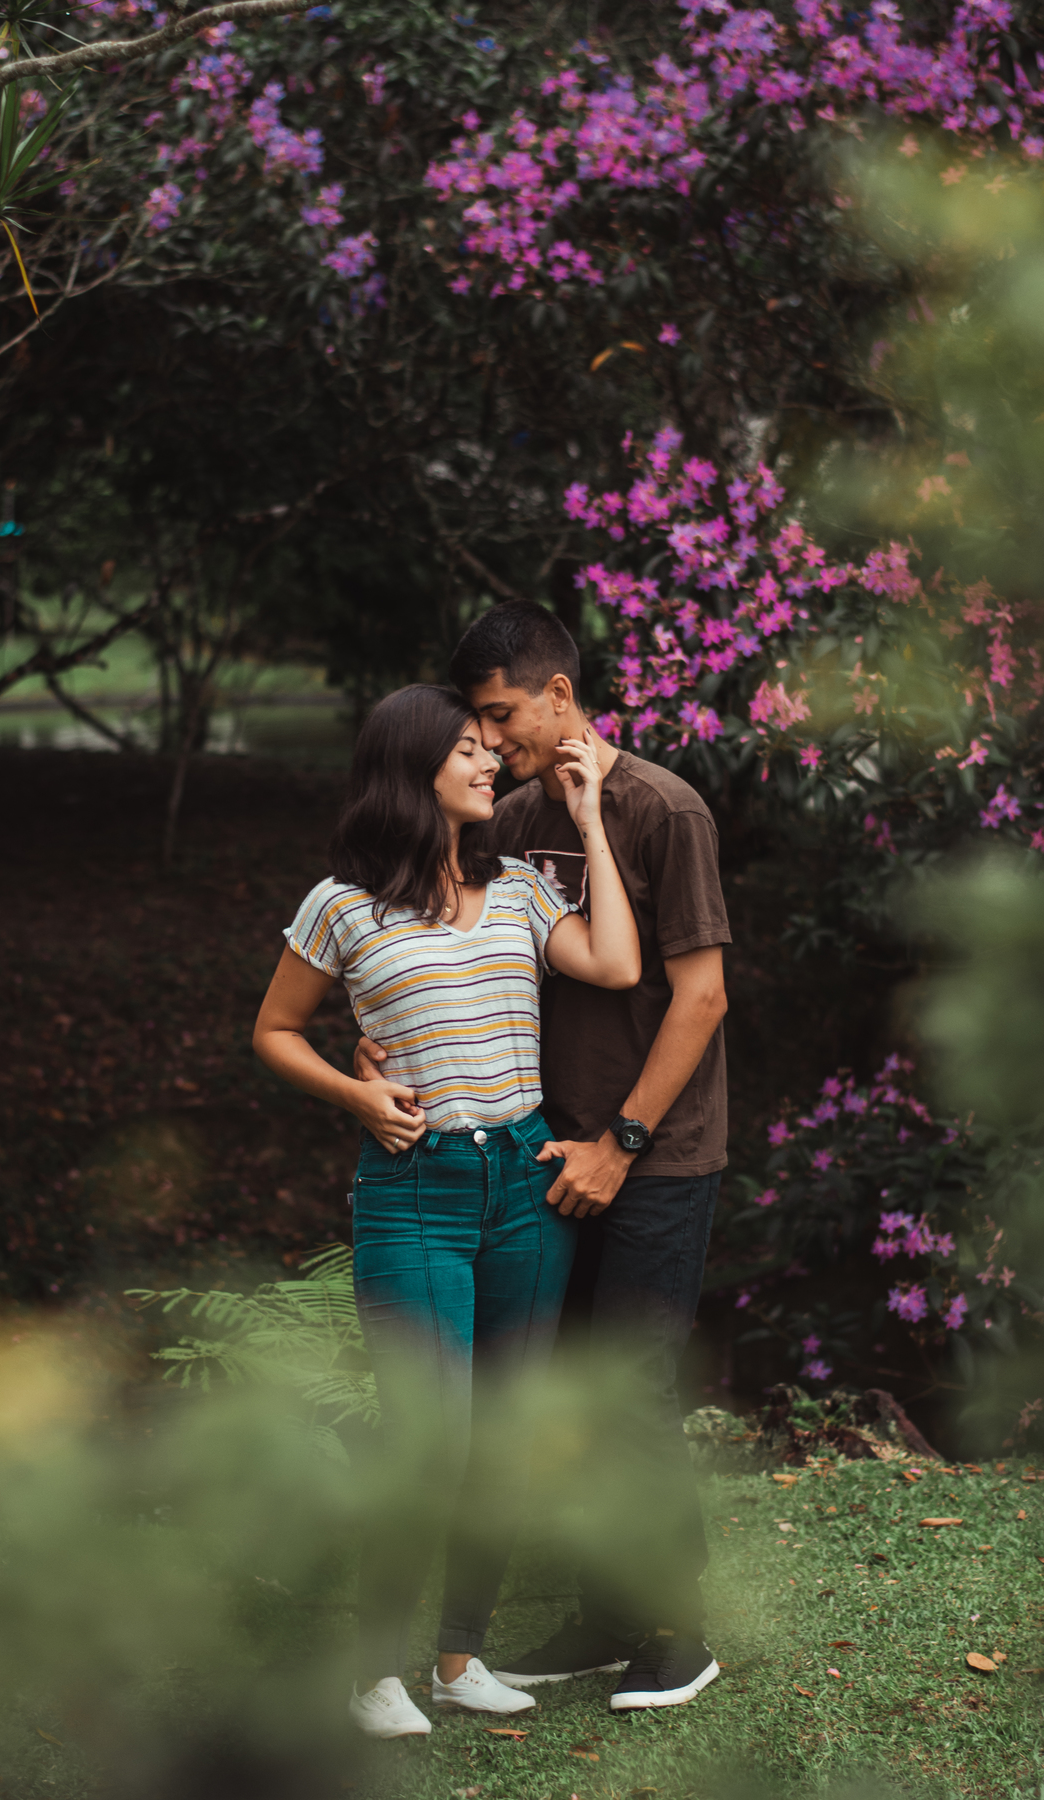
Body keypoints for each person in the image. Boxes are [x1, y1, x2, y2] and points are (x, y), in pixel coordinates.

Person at [356, 604, 731, 1713]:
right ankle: (606, 1614)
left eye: (500, 712)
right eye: (476, 718)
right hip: (542, 1153)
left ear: (559, 696)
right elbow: (444, 940)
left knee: (629, 1388)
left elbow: (700, 995)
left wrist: (621, 1142)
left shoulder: (665, 809)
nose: (487, 736)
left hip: (654, 1154)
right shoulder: (512, 816)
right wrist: (377, 1042)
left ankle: (678, 1632)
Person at [252, 683, 640, 1740]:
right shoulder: (342, 905)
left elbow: (617, 962)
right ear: (411, 771)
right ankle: (372, 1671)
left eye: (487, 746)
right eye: (468, 751)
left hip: (523, 1185)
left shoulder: (517, 886)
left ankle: (458, 1658)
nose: (488, 765)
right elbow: (277, 1031)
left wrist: (594, 819)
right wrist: (358, 1092)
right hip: (415, 1193)